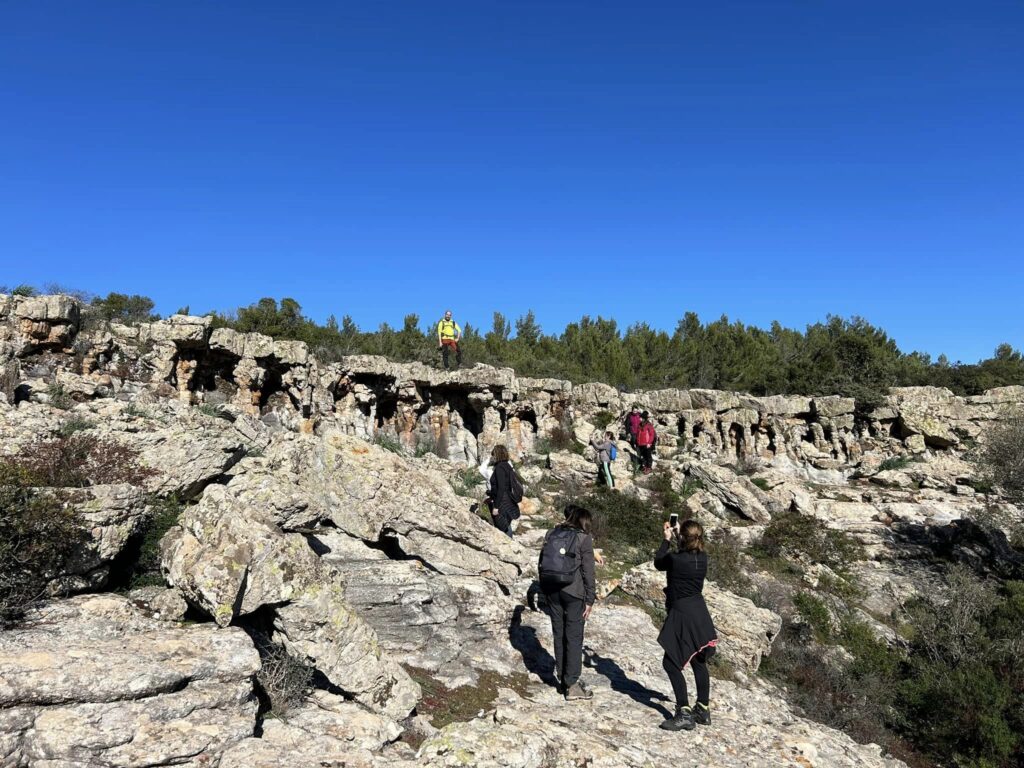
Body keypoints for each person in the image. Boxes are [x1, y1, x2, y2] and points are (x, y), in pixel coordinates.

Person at [654, 518, 718, 731]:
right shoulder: (704, 558)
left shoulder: (675, 559)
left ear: (682, 537)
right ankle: (703, 709)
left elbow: (658, 562)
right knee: (699, 661)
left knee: (670, 663)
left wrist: (666, 540)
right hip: (699, 611)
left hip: (681, 613)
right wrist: (681, 534)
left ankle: (684, 712)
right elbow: (689, 549)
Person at [538, 504, 597, 701]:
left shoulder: (551, 532)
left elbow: (542, 561)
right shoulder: (583, 538)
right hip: (574, 593)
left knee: (558, 634)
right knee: (573, 637)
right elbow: (588, 571)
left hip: (552, 590)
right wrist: (590, 599)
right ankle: (572, 685)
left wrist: (544, 589)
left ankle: (563, 679)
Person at [485, 444, 520, 537]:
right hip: (508, 499)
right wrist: (491, 495)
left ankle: (508, 547)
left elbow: (501, 488)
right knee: (506, 524)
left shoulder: (499, 468)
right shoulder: (507, 465)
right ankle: (509, 545)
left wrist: (496, 507)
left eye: (493, 455)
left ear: (497, 454)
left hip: (502, 502)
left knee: (503, 527)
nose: (492, 457)